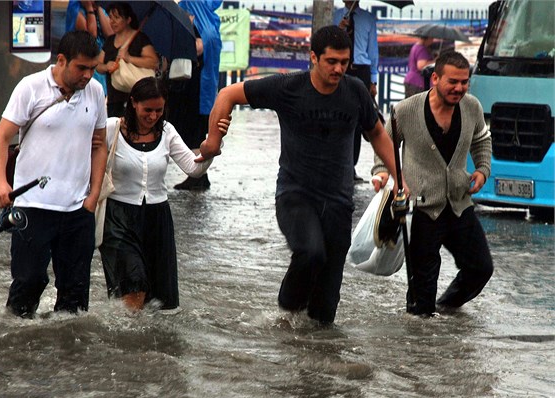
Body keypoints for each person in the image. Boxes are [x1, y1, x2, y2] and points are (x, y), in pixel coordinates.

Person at [199, 25, 401, 326]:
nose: (338, 68)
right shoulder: (288, 88)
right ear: (313, 57)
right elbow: (228, 93)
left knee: (326, 306)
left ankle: (315, 358)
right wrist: (213, 142)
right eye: (331, 61)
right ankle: (284, 315)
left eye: (344, 62)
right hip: (295, 195)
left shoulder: (355, 90)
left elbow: (377, 133)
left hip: (338, 201)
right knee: (310, 252)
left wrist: (401, 179)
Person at [0, 30, 108, 318]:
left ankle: (69, 357)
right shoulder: (30, 88)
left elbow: (100, 145)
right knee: (28, 284)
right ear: (62, 60)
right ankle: (15, 347)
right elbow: (0, 139)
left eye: (93, 68)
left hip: (77, 209)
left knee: (75, 296)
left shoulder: (95, 91)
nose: (88, 76)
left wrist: (93, 196)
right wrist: (1, 183)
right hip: (33, 206)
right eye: (81, 68)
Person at [372, 51, 494, 317]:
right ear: (435, 78)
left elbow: (482, 139)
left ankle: (447, 307)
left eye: (464, 82)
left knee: (481, 268)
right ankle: (420, 344)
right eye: (453, 81)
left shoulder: (472, 106)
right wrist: (382, 174)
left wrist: (483, 170)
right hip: (423, 209)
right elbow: (385, 145)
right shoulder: (404, 111)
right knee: (421, 297)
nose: (459, 88)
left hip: (460, 203)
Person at [98, 77, 231, 312]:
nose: (153, 116)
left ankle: (143, 341)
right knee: (133, 282)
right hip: (118, 218)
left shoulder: (167, 131)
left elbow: (193, 168)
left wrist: (210, 148)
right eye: (147, 110)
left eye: (158, 110)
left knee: (161, 300)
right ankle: (128, 341)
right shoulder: (111, 129)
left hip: (157, 219)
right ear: (133, 103)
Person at [173, 0, 223, 191]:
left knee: (192, 130)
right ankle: (199, 175)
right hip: (200, 86)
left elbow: (196, 49)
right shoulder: (211, 22)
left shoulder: (198, 24)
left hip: (193, 87)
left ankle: (198, 175)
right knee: (194, 130)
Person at [333, 0, 379, 182]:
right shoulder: (335, 16)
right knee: (337, 115)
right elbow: (327, 45)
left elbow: (373, 50)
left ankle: (351, 166)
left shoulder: (368, 19)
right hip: (340, 67)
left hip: (361, 69)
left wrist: (373, 80)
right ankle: (337, 163)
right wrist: (339, 30)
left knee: (358, 120)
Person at [97, 1, 159, 117]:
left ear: (128, 19)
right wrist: (106, 66)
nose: (112, 22)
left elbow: (153, 62)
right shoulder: (109, 41)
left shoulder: (140, 38)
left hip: (137, 99)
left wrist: (129, 58)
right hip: (114, 99)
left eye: (117, 17)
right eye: (110, 17)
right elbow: (98, 65)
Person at [65, 0, 113, 97]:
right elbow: (91, 36)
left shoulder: (101, 9)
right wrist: (89, 8)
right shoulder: (75, 9)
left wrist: (98, 7)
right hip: (85, 60)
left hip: (102, 60)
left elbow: (110, 34)